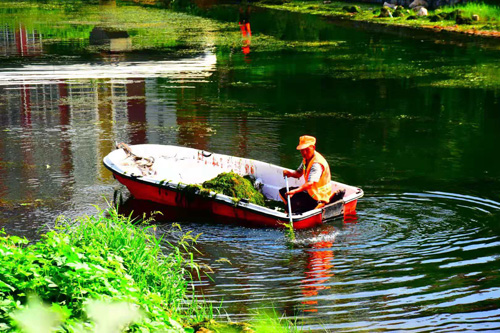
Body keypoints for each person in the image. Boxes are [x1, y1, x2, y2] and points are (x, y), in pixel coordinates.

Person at [279, 135, 339, 214]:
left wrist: (295, 191)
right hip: (310, 192)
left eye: (306, 150)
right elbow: (299, 173)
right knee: (283, 192)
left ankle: (318, 205)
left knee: (293, 202)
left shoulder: (316, 164)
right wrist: (290, 174)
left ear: (313, 148)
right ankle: (291, 209)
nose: (304, 153)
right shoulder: (306, 159)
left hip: (318, 196)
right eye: (302, 150)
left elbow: (310, 184)